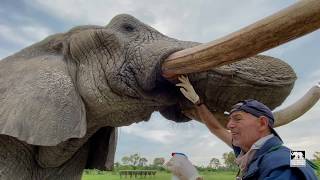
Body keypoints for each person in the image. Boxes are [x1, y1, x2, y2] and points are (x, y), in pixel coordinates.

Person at [176, 75, 318, 180]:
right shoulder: (253, 153)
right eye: (230, 119)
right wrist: (197, 101)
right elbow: (216, 129)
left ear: (262, 123)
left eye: (237, 119)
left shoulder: (285, 166)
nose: (229, 125)